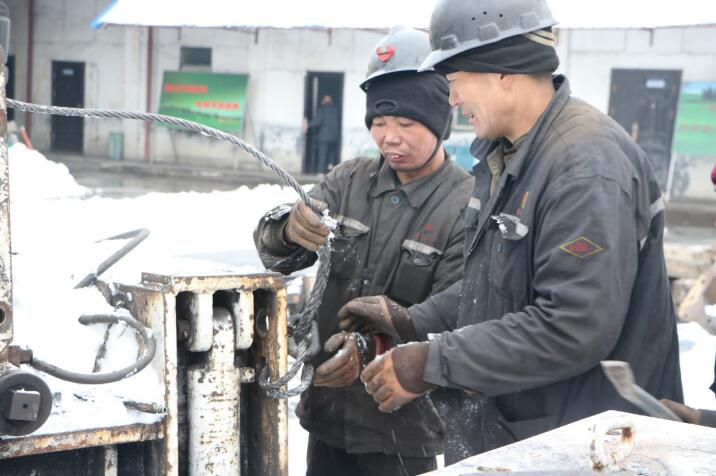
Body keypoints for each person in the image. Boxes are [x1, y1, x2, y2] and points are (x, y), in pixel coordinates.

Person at [340, 0, 683, 464]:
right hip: (531, 437)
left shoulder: (585, 168)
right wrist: (412, 321)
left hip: (586, 449)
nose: (452, 100)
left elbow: (573, 325)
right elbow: (498, 283)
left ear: (502, 70)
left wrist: (433, 362)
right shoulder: (511, 155)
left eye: (455, 81)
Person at [254, 26, 473, 476]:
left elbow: (456, 317)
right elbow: (276, 256)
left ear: (439, 121)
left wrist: (371, 349)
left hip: (403, 430)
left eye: (406, 124)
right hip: (327, 416)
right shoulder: (348, 180)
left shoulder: (464, 206)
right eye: (379, 123)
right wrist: (287, 229)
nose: (390, 137)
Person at [304, 95, 340, 173]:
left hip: (324, 138)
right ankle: (331, 171)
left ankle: (321, 171)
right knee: (331, 156)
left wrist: (308, 125)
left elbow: (318, 121)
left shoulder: (322, 110)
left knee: (322, 155)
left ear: (324, 101)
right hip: (333, 138)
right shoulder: (335, 110)